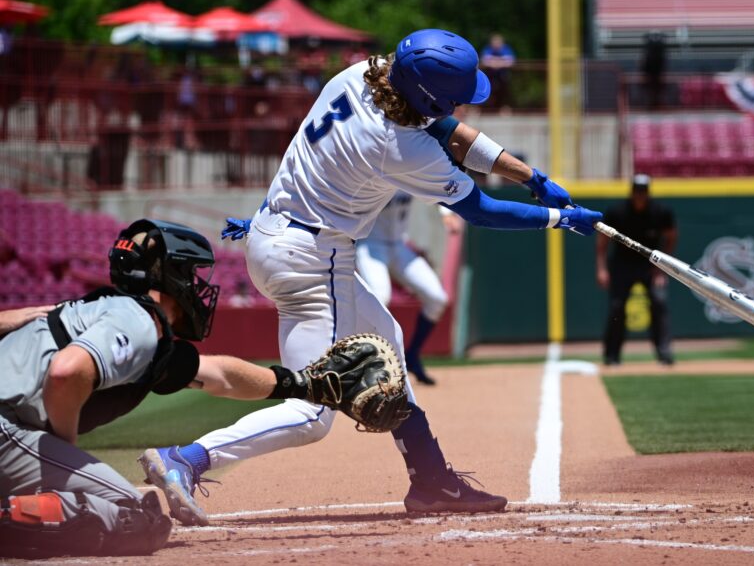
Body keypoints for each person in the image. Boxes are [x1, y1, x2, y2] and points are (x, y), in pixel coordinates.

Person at [144, 28, 602, 525]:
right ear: (427, 94)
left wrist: (530, 178)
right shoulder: (397, 146)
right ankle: (186, 459)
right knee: (312, 412)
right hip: (314, 258)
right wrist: (558, 219)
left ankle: (431, 480)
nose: (462, 106)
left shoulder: (367, 73)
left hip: (274, 232)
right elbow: (482, 210)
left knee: (386, 341)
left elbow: (448, 129)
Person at [0, 219, 344, 558]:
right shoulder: (137, 321)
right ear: (171, 275)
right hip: (6, 429)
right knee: (138, 517)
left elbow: (220, 375)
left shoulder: (105, 317)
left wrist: (304, 385)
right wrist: (64, 448)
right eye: (191, 275)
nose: (197, 287)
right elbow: (66, 372)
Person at [356, 193, 461, 386]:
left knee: (437, 298)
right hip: (370, 243)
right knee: (380, 296)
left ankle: (412, 355)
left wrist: (446, 211)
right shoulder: (373, 168)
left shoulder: (407, 167)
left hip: (398, 244)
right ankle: (365, 362)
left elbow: (433, 183)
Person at [596, 174, 677, 366]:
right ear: (631, 192)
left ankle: (664, 352)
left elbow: (672, 237)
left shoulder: (660, 212)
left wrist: (662, 268)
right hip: (622, 264)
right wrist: (602, 269)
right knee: (617, 306)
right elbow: (602, 243)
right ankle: (611, 355)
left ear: (648, 193)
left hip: (651, 265)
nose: (640, 195)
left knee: (659, 302)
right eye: (637, 191)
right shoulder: (617, 212)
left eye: (643, 191)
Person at [479, 33, 516, 114]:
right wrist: (501, 62)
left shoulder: (506, 49)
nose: (496, 44)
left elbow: (510, 62)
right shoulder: (488, 49)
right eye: (494, 42)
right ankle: (482, 110)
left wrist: (494, 62)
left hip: (503, 77)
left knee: (504, 93)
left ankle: (504, 109)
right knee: (486, 91)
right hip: (489, 76)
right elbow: (485, 61)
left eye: (498, 42)